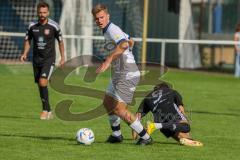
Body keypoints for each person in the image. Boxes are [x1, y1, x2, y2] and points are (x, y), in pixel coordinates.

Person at [91, 4, 152, 145]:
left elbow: (124, 44)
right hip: (120, 73)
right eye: (97, 19)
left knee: (119, 109)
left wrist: (109, 60)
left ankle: (146, 137)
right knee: (108, 102)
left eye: (101, 17)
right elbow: (130, 41)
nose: (99, 20)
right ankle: (116, 135)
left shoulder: (112, 29)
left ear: (108, 16)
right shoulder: (109, 30)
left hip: (128, 73)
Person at [20, 2, 65, 120]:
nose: (42, 15)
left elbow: (60, 42)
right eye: (40, 12)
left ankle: (45, 110)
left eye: (44, 12)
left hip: (49, 60)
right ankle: (49, 110)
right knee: (40, 85)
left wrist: (63, 58)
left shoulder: (54, 26)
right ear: (37, 12)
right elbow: (27, 40)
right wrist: (24, 53)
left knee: (43, 82)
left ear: (48, 13)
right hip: (36, 60)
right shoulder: (31, 26)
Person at [133, 82, 203, 147]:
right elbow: (181, 108)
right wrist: (185, 118)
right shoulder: (171, 91)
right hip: (170, 113)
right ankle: (155, 125)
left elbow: (137, 117)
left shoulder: (147, 97)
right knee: (186, 127)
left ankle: (189, 141)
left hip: (160, 120)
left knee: (171, 128)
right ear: (166, 87)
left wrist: (135, 135)